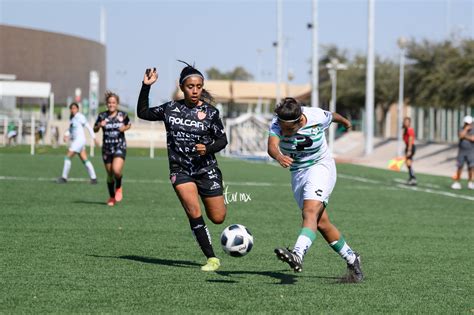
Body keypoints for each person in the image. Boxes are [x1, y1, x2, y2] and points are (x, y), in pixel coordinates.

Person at [137, 63, 228, 272]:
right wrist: (146, 86)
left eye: (198, 86)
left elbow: (223, 141)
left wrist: (208, 148)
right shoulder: (170, 109)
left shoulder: (211, 113)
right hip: (180, 170)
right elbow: (143, 112)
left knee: (218, 217)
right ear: (182, 87)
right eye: (190, 86)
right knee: (193, 210)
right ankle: (212, 258)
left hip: (207, 169)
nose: (195, 90)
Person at [267, 97, 363, 282]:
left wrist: (345, 121)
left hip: (320, 166)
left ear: (300, 120)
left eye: (288, 130)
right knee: (321, 223)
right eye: (282, 127)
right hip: (298, 173)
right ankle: (353, 259)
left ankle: (297, 254)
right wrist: (279, 156)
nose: (284, 133)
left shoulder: (315, 115)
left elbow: (331, 116)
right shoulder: (278, 121)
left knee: (309, 212)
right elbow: (272, 146)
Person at [94, 91, 131, 206]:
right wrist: (100, 125)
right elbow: (95, 129)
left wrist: (124, 128)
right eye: (109, 102)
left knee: (116, 170)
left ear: (117, 104)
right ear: (107, 103)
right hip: (107, 148)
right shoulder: (102, 116)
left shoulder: (122, 115)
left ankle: (119, 186)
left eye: (114, 102)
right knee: (110, 174)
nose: (111, 105)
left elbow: (129, 124)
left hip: (119, 146)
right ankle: (111, 197)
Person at [57, 103, 98, 184]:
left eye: (74, 108)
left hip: (79, 141)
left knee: (67, 157)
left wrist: (94, 138)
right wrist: (66, 135)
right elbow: (71, 129)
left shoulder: (80, 116)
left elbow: (88, 126)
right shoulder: (73, 118)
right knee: (84, 160)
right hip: (79, 141)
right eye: (71, 108)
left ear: (78, 109)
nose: (73, 110)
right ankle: (94, 178)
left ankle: (64, 178)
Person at [451, 115, 474, 190]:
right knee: (459, 167)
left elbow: (473, 139)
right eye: (466, 123)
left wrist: (465, 136)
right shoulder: (461, 129)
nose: (468, 125)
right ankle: (457, 182)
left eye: (469, 123)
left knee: (471, 167)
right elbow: (460, 136)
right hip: (461, 151)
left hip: (471, 151)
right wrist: (465, 131)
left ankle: (470, 182)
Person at [403, 117, 417, 186]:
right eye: (405, 122)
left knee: (408, 163)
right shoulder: (405, 130)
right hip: (407, 147)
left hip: (411, 147)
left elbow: (411, 140)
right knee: (408, 163)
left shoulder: (409, 130)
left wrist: (409, 150)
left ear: (409, 123)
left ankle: (413, 178)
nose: (406, 123)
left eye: (407, 122)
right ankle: (411, 178)